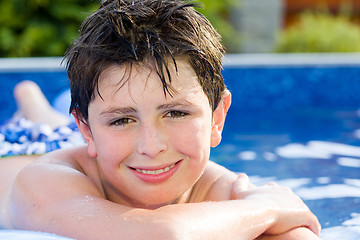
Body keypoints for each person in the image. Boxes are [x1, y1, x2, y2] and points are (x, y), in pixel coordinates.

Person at [0, 0, 321, 239]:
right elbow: (163, 235)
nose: (152, 147)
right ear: (87, 129)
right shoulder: (42, 183)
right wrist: (269, 208)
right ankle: (30, 99)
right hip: (22, 150)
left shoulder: (227, 189)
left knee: (62, 120)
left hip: (103, 148)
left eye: (176, 113)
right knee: (41, 124)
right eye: (122, 120)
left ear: (217, 117)